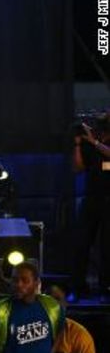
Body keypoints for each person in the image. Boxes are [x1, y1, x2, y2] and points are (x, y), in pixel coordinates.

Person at [71, 111, 110, 300]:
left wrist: (95, 142)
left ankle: (105, 288)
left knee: (106, 245)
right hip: (92, 198)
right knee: (81, 242)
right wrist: (78, 144)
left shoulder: (98, 143)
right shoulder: (89, 143)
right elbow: (78, 168)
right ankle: (78, 287)